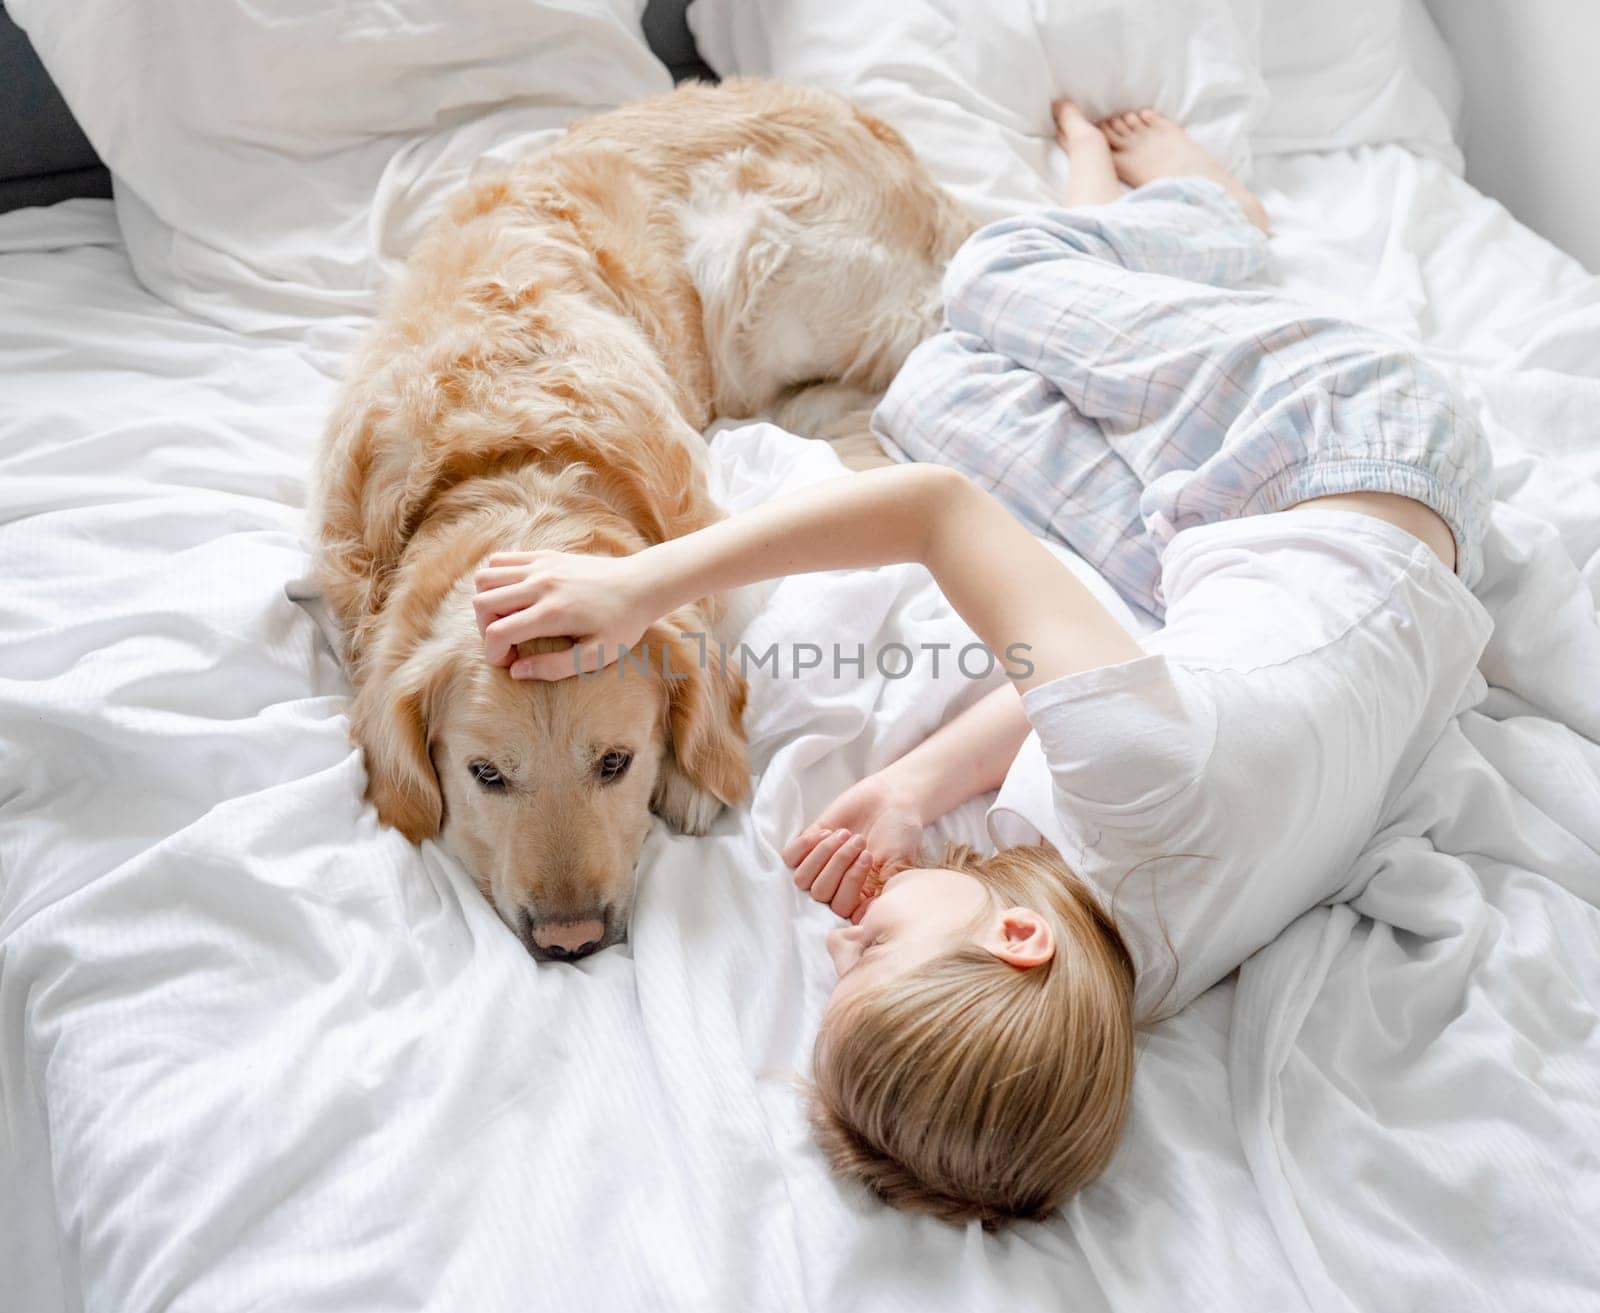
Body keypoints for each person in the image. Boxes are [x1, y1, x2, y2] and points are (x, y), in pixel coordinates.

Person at [468, 102, 1494, 1227]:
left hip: (1222, 580)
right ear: (1016, 935)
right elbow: (932, 513)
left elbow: (1082, 678)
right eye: (873, 952)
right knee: (989, 278)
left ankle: (1128, 273)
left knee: (927, 396)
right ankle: (1209, 216)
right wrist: (642, 586)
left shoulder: (1117, 974)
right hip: (1348, 438)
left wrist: (914, 789)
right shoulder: (1145, 780)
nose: (841, 935)